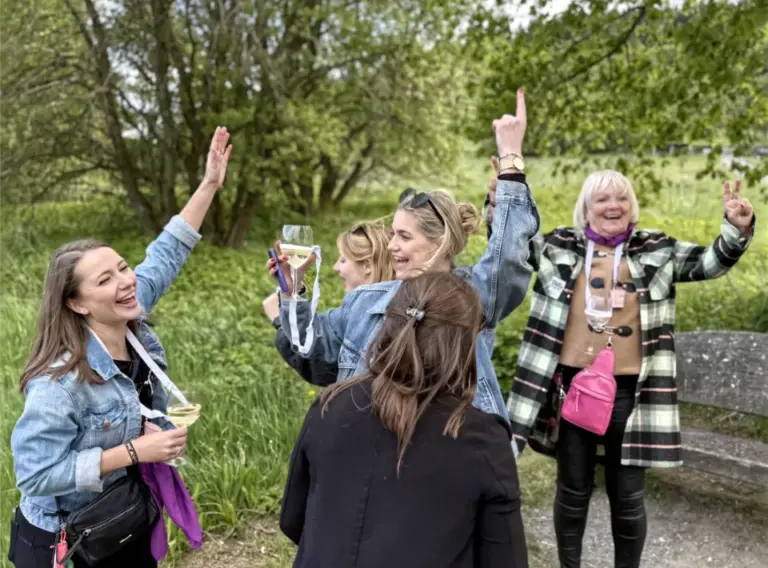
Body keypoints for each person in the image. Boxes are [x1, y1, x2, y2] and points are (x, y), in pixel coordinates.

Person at [487, 170, 755, 567]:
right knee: (572, 491)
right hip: (572, 392)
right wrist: (500, 204)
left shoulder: (657, 248)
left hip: (633, 396)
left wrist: (736, 227)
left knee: (627, 497)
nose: (613, 206)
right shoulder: (560, 246)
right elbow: (512, 246)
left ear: (632, 207)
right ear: (586, 208)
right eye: (602, 199)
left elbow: (709, 263)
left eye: (621, 198)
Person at [8, 127, 233, 568]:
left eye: (123, 267)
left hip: (122, 515)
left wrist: (208, 185)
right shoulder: (60, 381)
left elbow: (168, 252)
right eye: (105, 279)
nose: (126, 281)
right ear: (76, 303)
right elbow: (36, 475)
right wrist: (134, 452)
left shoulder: (127, 313)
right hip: (69, 538)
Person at [273, 89, 539, 422]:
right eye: (393, 234)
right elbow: (309, 349)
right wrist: (294, 289)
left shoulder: (472, 296)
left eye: (404, 236)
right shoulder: (365, 302)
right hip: (376, 459)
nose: (390, 245)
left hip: (451, 456)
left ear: (440, 241)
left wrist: (511, 156)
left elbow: (511, 258)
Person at [280, 272, 528, 567]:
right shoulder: (482, 439)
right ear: (465, 344)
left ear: (387, 325)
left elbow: (293, 520)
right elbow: (505, 558)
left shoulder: (330, 405)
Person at [263, 221, 395, 387]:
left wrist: (279, 317)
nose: (335, 268)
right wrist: (292, 289)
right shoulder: (403, 300)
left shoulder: (363, 313)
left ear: (368, 266)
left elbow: (312, 348)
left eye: (343, 260)